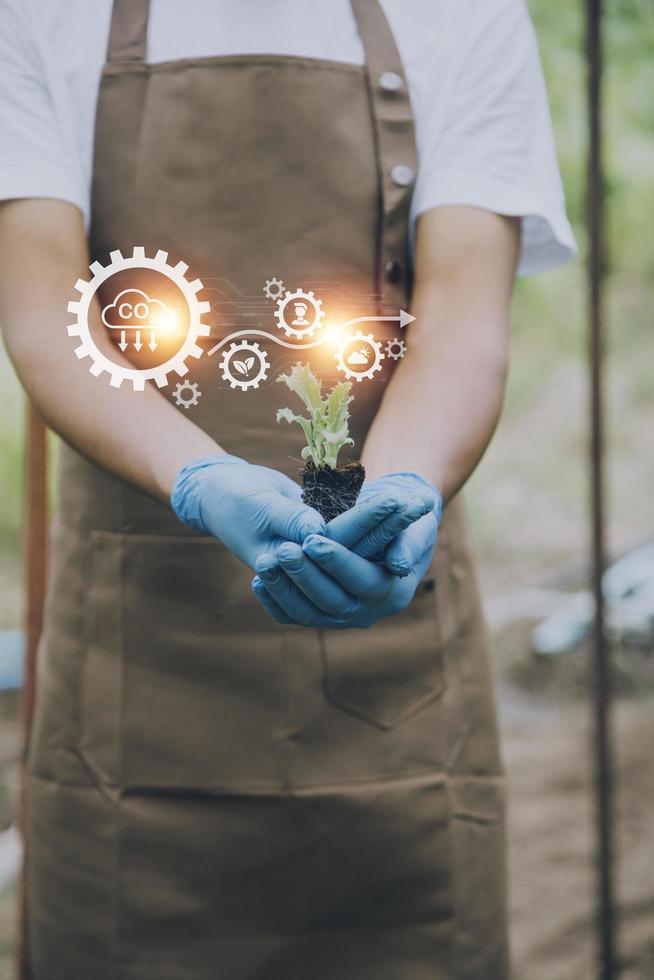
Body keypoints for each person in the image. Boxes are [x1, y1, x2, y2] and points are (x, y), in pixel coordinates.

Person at [0, 1, 575, 977]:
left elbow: (463, 324)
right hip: (134, 702)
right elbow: (49, 315)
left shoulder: (463, 15)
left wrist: (401, 482)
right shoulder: (44, 15)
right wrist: (199, 474)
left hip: (395, 680)